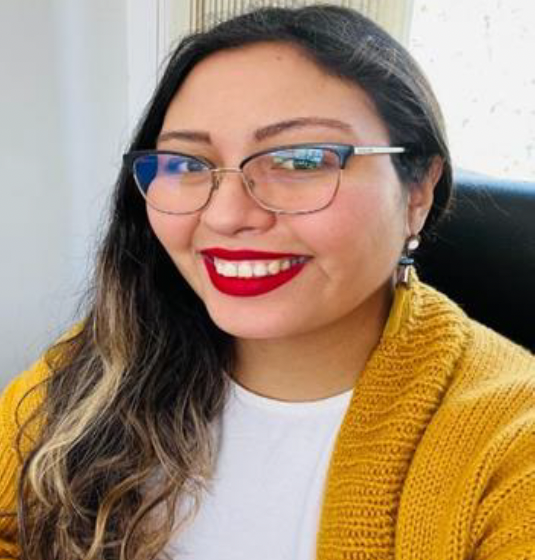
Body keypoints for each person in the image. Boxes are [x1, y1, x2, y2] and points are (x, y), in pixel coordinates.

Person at [0, 4, 533, 560]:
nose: (226, 216)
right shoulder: (105, 361)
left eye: (301, 161)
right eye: (186, 164)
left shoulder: (511, 443)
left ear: (418, 192)